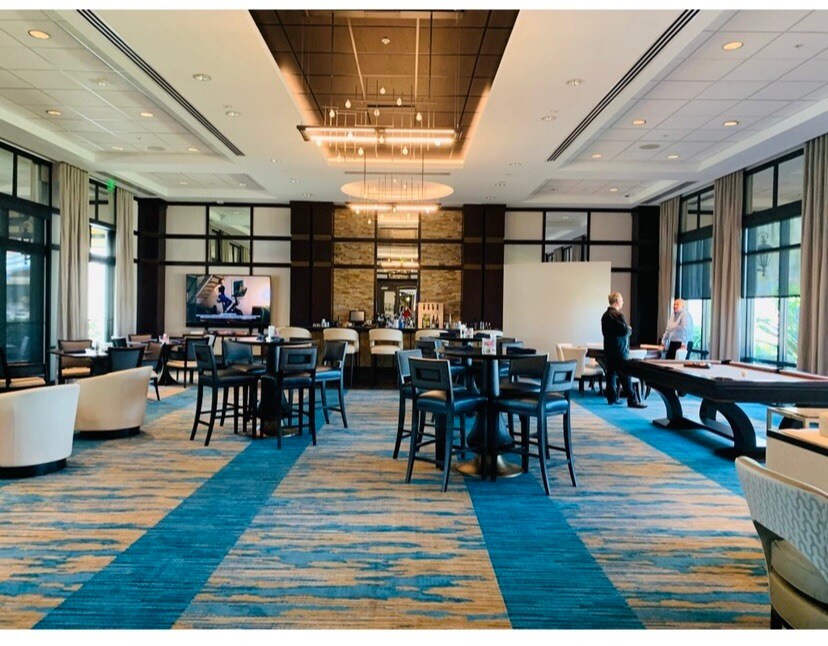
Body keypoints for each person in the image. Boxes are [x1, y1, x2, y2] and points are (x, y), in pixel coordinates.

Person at [601, 291, 646, 408]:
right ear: (617, 301)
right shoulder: (617, 315)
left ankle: (612, 397)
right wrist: (629, 329)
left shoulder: (605, 316)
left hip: (609, 348)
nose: (623, 302)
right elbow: (625, 331)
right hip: (619, 350)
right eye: (621, 300)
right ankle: (632, 399)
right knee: (625, 375)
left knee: (610, 374)